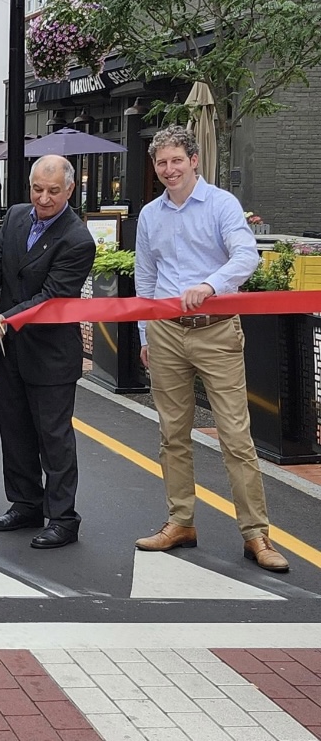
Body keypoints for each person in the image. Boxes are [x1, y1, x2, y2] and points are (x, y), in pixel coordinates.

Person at [134, 125, 288, 572]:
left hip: (216, 330)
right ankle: (180, 521)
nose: (168, 170)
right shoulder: (149, 215)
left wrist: (210, 284)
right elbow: (145, 277)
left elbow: (247, 256)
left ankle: (256, 535)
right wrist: (145, 334)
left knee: (236, 437)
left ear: (194, 160)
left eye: (176, 160)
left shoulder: (221, 204)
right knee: (172, 434)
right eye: (161, 163)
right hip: (165, 333)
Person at [0, 154, 95, 549]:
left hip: (50, 353)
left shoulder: (77, 238)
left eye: (52, 191)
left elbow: (52, 296)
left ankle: (63, 517)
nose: (43, 199)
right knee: (14, 432)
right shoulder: (15, 216)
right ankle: (25, 503)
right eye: (37, 189)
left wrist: (5, 321)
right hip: (10, 349)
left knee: (54, 437)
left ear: (70, 190)